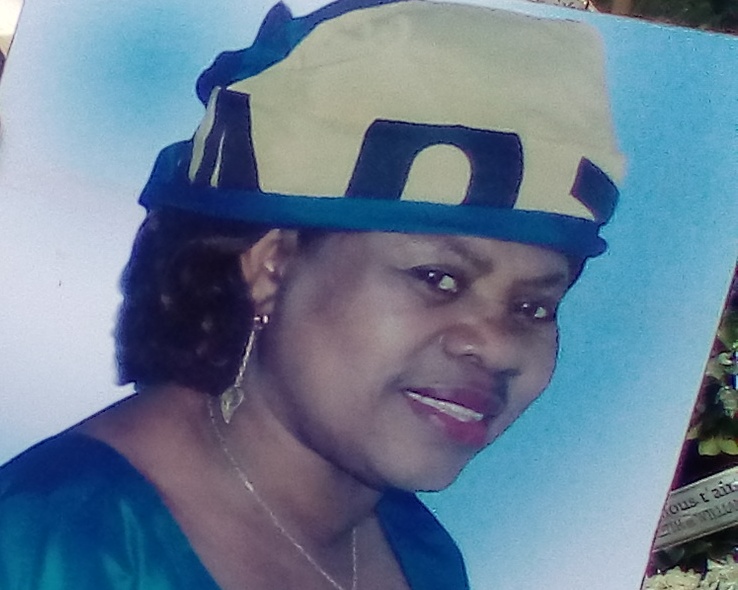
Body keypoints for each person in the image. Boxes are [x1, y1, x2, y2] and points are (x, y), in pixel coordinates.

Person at [0, 0, 623, 588]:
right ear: (272, 266)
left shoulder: (419, 552)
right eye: (438, 278)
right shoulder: (56, 540)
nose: (498, 347)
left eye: (533, 307)